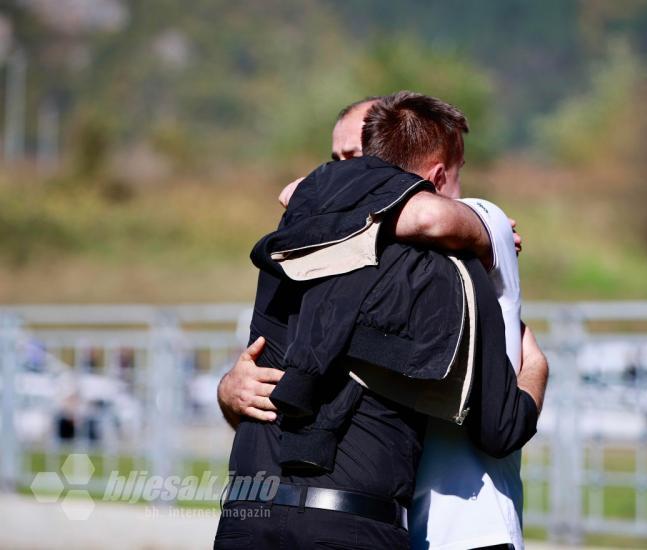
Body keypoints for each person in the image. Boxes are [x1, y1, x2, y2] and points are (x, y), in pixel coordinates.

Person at [215, 93, 548, 549]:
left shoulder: (286, 249)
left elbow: (299, 193)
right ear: (434, 176)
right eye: (338, 162)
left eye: (354, 158)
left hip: (253, 514)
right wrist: (229, 389)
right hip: (363, 523)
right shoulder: (440, 270)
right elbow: (501, 427)